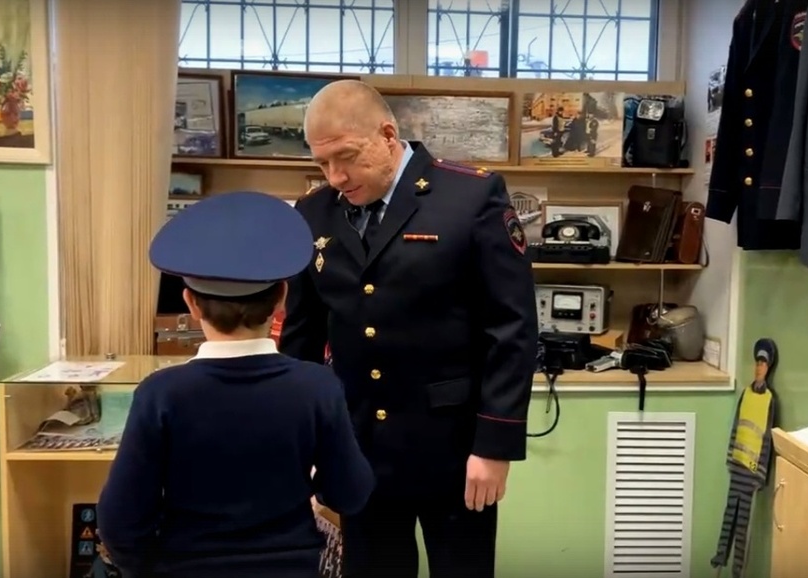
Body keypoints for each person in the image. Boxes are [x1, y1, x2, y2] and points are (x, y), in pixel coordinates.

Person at [281, 79, 538, 578]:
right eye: (322, 163)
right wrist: (305, 439)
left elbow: (512, 329)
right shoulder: (314, 213)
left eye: (346, 157)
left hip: (453, 447)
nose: (335, 176)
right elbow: (302, 338)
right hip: (358, 449)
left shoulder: (470, 197)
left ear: (386, 135)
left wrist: (495, 445)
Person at [97, 191, 375, 578]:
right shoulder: (318, 387)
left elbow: (120, 518)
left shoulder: (161, 393)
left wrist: (146, 567)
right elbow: (352, 492)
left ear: (191, 304)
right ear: (282, 299)